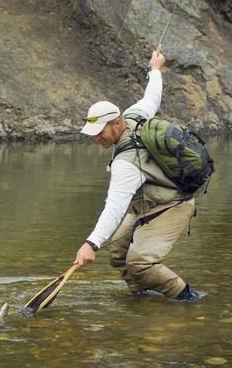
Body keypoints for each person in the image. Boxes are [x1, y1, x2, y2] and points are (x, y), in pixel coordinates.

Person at [74, 49, 205, 302]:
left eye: (101, 131)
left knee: (140, 262)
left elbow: (114, 207)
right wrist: (155, 69)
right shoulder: (136, 114)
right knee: (118, 255)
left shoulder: (126, 163)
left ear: (117, 123)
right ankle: (141, 298)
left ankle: (188, 298)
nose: (97, 138)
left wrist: (91, 244)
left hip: (173, 205)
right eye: (93, 133)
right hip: (146, 203)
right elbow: (152, 96)